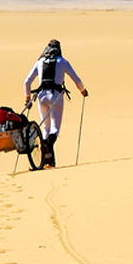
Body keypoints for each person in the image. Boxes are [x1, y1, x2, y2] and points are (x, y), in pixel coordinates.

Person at [24, 39, 88, 168]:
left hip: (41, 96)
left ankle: (48, 159)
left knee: (45, 128)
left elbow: (26, 82)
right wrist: (83, 91)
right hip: (56, 96)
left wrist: (27, 99)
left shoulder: (39, 62)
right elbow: (76, 79)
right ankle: (48, 148)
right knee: (55, 128)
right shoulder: (62, 62)